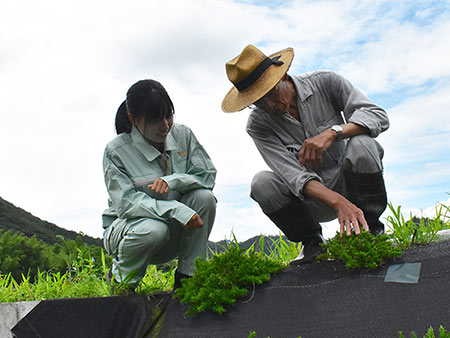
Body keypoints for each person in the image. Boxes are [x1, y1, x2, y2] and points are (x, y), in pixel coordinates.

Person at [222, 45, 389, 263]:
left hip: (352, 183)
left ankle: (369, 228)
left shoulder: (326, 82)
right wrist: (338, 203)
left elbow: (377, 116)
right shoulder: (258, 126)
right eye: (259, 102)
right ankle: (312, 242)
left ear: (284, 77)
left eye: (271, 92)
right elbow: (293, 175)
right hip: (311, 200)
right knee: (261, 183)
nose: (271, 105)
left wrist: (333, 132)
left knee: (362, 144)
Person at [102, 79, 217, 290]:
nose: (165, 126)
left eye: (168, 115)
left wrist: (173, 180)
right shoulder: (116, 151)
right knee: (153, 229)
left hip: (174, 234)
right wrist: (175, 209)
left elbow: (207, 176)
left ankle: (188, 280)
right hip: (131, 233)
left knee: (204, 198)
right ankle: (122, 284)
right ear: (133, 119)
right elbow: (127, 204)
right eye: (155, 120)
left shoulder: (183, 135)